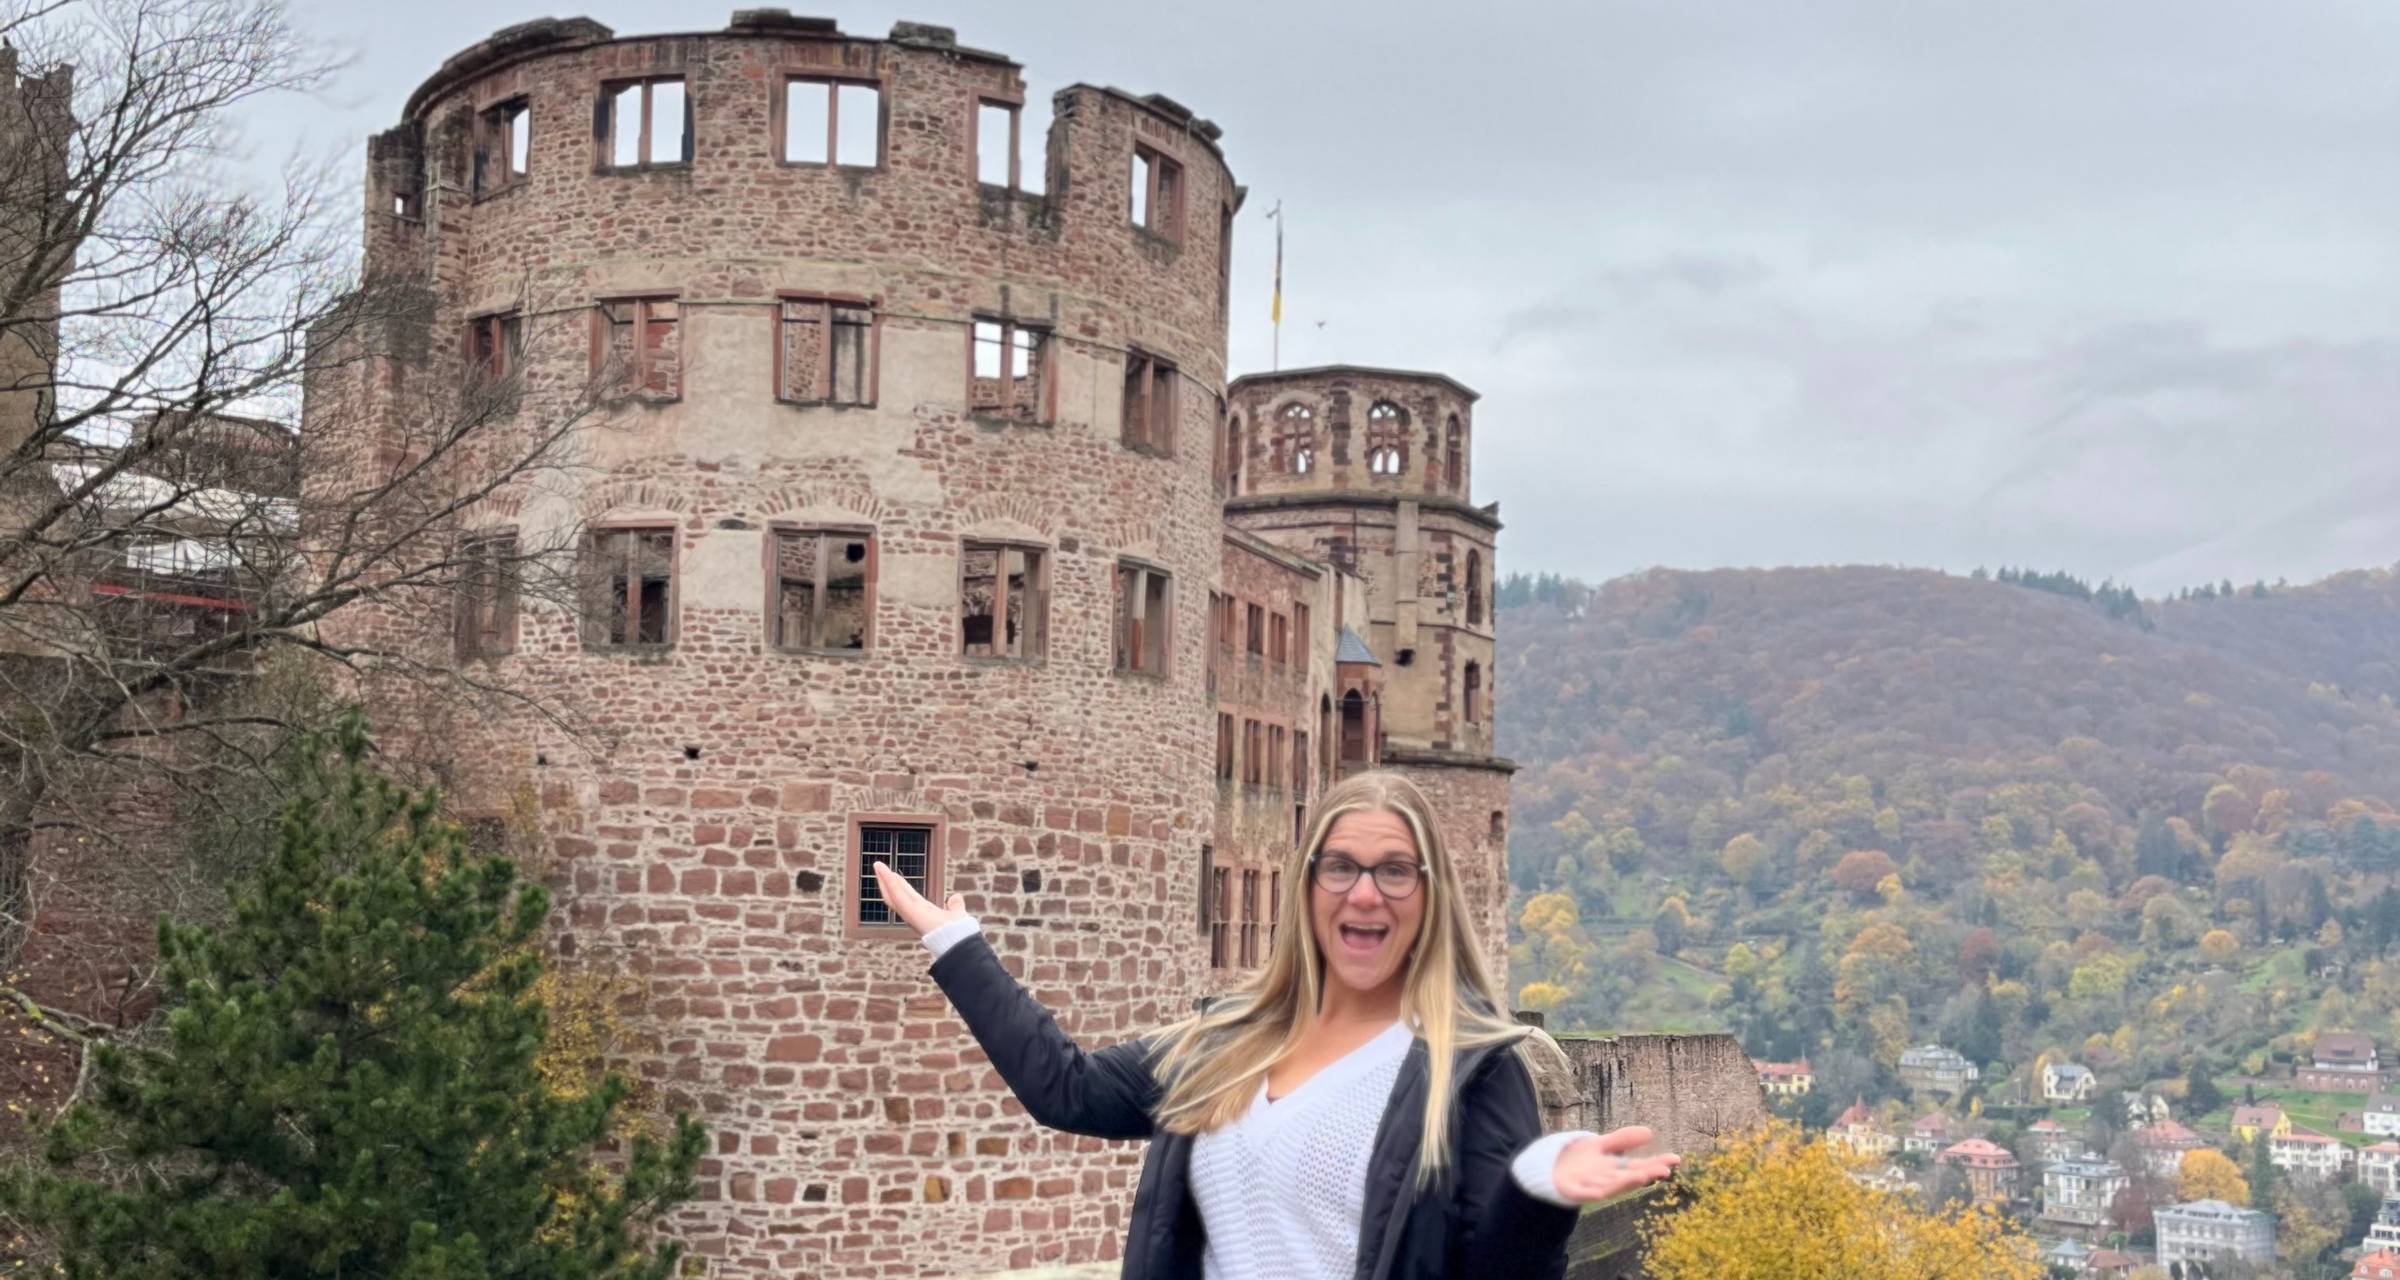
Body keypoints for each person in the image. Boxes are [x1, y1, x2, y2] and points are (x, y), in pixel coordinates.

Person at [870, 770, 1679, 1280]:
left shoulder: (1469, 1068)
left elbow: (1492, 1267)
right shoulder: (1224, 1043)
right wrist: (957, 944)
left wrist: (1541, 1191)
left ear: (1430, 895)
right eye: (1342, 867)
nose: (1367, 893)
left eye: (1395, 870)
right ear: (1308, 886)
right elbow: (1068, 1090)